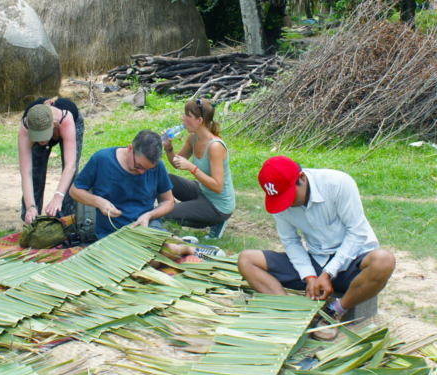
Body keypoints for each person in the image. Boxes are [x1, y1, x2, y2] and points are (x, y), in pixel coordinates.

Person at [238, 156, 395, 340]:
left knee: (384, 261)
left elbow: (357, 232)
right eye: (280, 199)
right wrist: (309, 276)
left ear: (302, 178)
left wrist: (328, 273)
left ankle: (334, 311)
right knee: (246, 260)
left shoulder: (338, 184)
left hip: (352, 261)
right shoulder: (280, 201)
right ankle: (293, 312)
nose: (286, 204)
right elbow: (290, 241)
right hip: (315, 261)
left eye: (289, 196)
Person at [69, 130, 224, 258]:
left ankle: (191, 249)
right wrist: (99, 202)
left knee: (161, 253)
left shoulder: (157, 167)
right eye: (139, 166)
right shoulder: (102, 159)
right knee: (147, 258)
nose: (142, 172)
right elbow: (75, 191)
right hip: (112, 232)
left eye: (147, 169)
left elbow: (168, 201)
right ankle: (181, 244)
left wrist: (149, 215)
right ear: (130, 149)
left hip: (147, 225)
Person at [162, 98, 235, 239]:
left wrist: (192, 168)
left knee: (164, 213)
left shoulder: (215, 146)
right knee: (164, 180)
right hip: (202, 191)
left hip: (218, 205)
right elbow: (176, 163)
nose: (182, 118)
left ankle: (215, 221)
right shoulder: (192, 137)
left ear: (199, 120)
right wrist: (169, 148)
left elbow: (218, 186)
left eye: (187, 116)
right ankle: (169, 211)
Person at [18, 97, 84, 224]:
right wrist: (30, 206)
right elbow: (26, 173)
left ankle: (66, 220)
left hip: (68, 124)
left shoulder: (65, 120)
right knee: (36, 175)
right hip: (41, 126)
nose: (41, 141)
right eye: (37, 137)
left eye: (44, 136)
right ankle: (31, 219)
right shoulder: (26, 127)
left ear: (53, 125)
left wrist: (57, 197)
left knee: (70, 178)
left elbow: (70, 166)